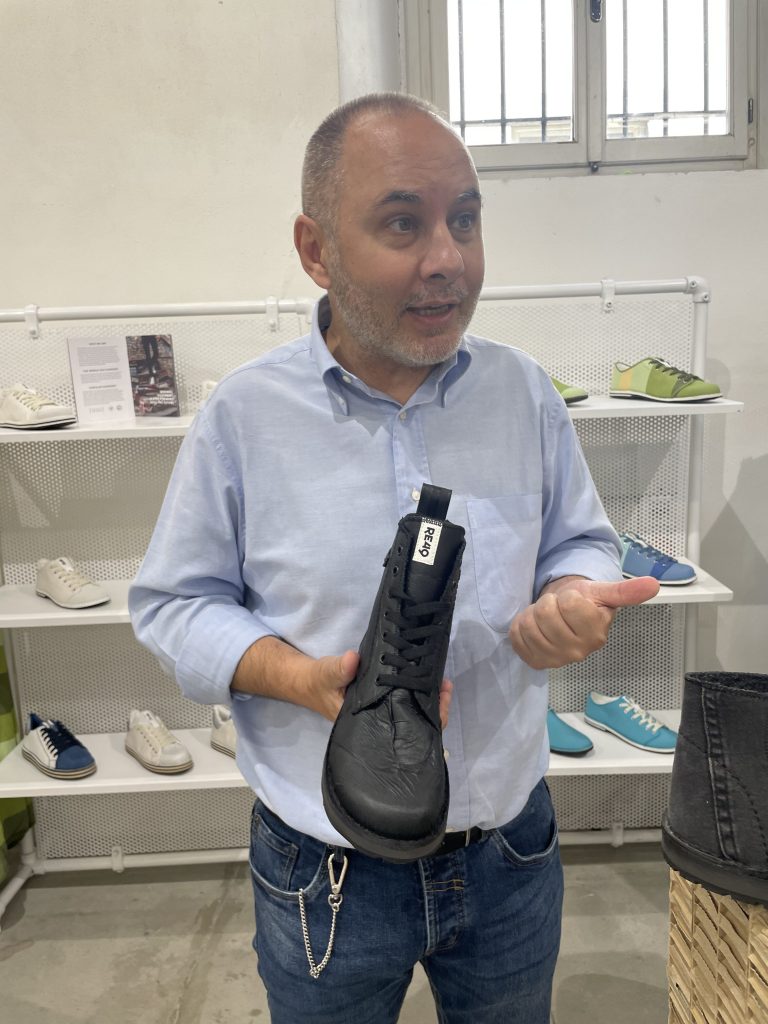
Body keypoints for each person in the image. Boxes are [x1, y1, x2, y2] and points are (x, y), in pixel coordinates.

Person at [129, 92, 659, 1024]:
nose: (448, 258)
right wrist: (298, 679)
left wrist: (573, 592)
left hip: (509, 849)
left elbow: (579, 536)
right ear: (316, 249)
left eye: (466, 220)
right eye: (403, 223)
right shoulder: (245, 416)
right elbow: (174, 604)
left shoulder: (523, 391)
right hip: (325, 864)